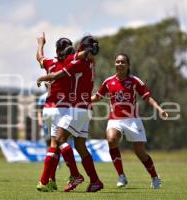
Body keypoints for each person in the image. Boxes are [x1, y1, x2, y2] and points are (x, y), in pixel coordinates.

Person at [37, 35, 104, 192]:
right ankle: (95, 181)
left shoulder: (78, 62)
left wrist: (42, 77)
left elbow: (54, 74)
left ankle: (75, 175)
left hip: (76, 109)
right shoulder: (90, 63)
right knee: (80, 146)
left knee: (59, 140)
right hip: (85, 108)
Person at [91, 53, 168, 189]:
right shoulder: (108, 82)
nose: (120, 64)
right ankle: (121, 176)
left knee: (140, 152)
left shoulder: (134, 81)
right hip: (115, 119)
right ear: (114, 64)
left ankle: (155, 177)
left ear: (128, 66)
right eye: (118, 62)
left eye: (123, 62)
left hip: (132, 120)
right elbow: (97, 97)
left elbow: (147, 97)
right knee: (111, 140)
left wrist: (159, 109)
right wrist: (80, 100)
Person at [36, 33, 76, 192]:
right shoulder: (71, 64)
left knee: (55, 144)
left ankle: (50, 180)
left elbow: (39, 57)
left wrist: (40, 43)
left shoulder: (50, 62)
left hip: (48, 108)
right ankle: (46, 180)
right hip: (63, 108)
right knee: (60, 143)